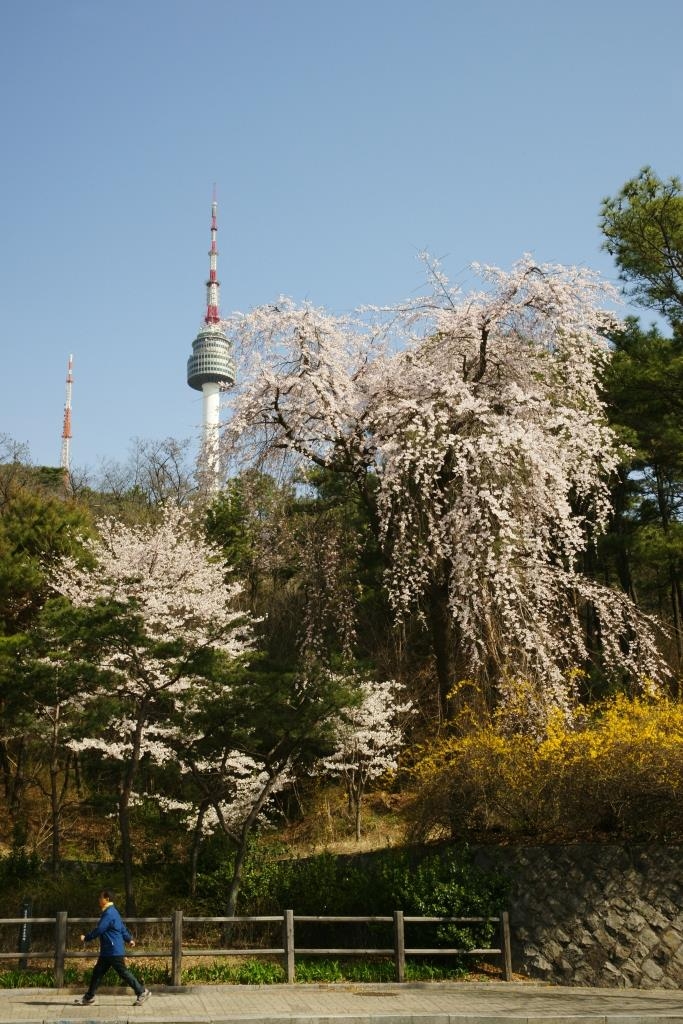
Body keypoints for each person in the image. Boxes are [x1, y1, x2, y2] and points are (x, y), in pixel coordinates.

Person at [75, 889, 151, 1006]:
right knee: (97, 972)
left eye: (101, 898)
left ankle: (142, 992)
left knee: (123, 973)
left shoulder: (109, 913)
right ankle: (89, 997)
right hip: (108, 951)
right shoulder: (113, 912)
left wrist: (86, 937)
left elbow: (100, 929)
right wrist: (129, 939)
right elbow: (121, 928)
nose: (99, 900)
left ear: (107, 899)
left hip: (113, 950)